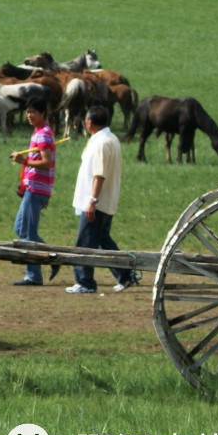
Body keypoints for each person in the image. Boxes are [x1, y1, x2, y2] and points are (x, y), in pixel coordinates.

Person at [66, 106, 139, 294]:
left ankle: (85, 282)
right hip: (106, 200)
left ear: (89, 122)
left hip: (96, 201)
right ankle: (125, 274)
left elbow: (99, 174)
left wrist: (92, 200)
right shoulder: (110, 139)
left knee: (85, 242)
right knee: (102, 240)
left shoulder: (101, 143)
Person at [9, 99, 56, 286]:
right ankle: (52, 256)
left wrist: (24, 161)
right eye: (28, 112)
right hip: (32, 187)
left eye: (33, 112)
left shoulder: (43, 134)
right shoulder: (39, 131)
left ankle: (34, 275)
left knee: (27, 233)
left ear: (43, 113)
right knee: (20, 229)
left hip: (37, 189)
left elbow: (45, 162)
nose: (29, 115)